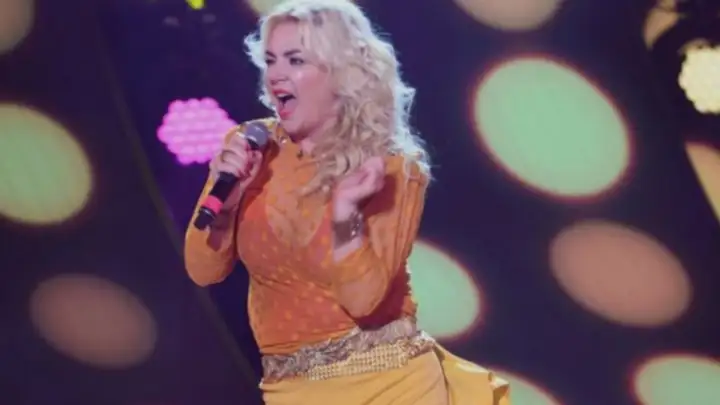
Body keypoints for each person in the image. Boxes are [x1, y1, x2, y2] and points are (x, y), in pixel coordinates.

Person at [184, 0, 510, 404]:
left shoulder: (392, 165)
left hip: (392, 386)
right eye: (270, 60)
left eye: (295, 60)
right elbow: (202, 270)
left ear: (340, 73)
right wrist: (228, 207)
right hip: (290, 390)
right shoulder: (251, 146)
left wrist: (345, 215)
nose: (276, 74)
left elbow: (362, 300)